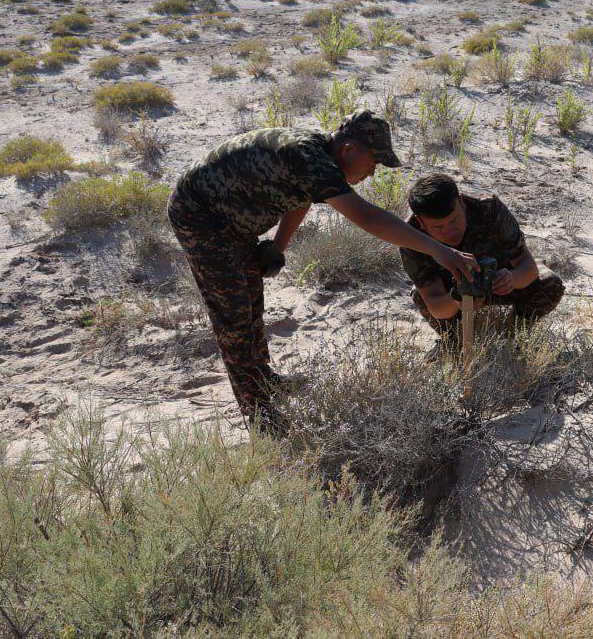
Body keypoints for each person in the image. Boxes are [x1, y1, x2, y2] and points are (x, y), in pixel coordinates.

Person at [168, 111, 477, 431]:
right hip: (200, 216)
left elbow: (300, 197)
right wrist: (440, 251)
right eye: (374, 161)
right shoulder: (311, 158)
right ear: (349, 149)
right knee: (233, 315)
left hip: (230, 219)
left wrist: (277, 246)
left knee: (250, 300)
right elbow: (369, 218)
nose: (372, 172)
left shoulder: (317, 155)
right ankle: (258, 411)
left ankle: (263, 379)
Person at [399, 173, 564, 350]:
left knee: (550, 284)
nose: (450, 231)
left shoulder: (489, 208)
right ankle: (454, 343)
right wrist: (458, 299)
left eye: (455, 220)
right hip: (453, 294)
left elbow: (529, 268)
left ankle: (512, 337)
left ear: (461, 202)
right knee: (420, 296)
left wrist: (512, 279)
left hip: (499, 283)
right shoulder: (411, 237)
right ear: (420, 222)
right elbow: (436, 305)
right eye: (438, 227)